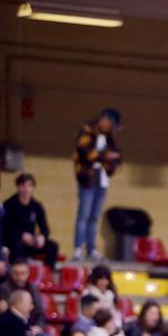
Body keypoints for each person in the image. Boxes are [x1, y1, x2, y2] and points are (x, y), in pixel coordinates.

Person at [73, 108, 121, 261]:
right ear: (104, 119)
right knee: (84, 215)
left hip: (102, 180)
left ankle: (92, 249)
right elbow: (85, 153)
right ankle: (78, 248)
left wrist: (112, 163)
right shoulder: (86, 132)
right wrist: (105, 156)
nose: (110, 128)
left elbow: (117, 156)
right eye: (110, 124)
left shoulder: (109, 138)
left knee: (94, 217)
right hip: (88, 179)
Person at [2, 173, 58, 266]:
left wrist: (42, 237)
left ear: (33, 187)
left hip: (31, 240)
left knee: (53, 246)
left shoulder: (37, 206)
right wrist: (21, 235)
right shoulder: (8, 204)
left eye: (29, 185)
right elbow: (5, 227)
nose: (26, 189)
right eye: (23, 185)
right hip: (13, 240)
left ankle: (48, 274)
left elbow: (45, 228)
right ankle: (16, 272)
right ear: (18, 187)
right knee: (16, 244)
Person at [0, 259, 49, 330]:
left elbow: (40, 313)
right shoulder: (4, 288)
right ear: (11, 273)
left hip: (32, 327)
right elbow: (7, 313)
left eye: (22, 273)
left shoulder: (33, 288)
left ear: (27, 273)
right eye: (16, 273)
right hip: (13, 328)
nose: (19, 277)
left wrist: (38, 327)